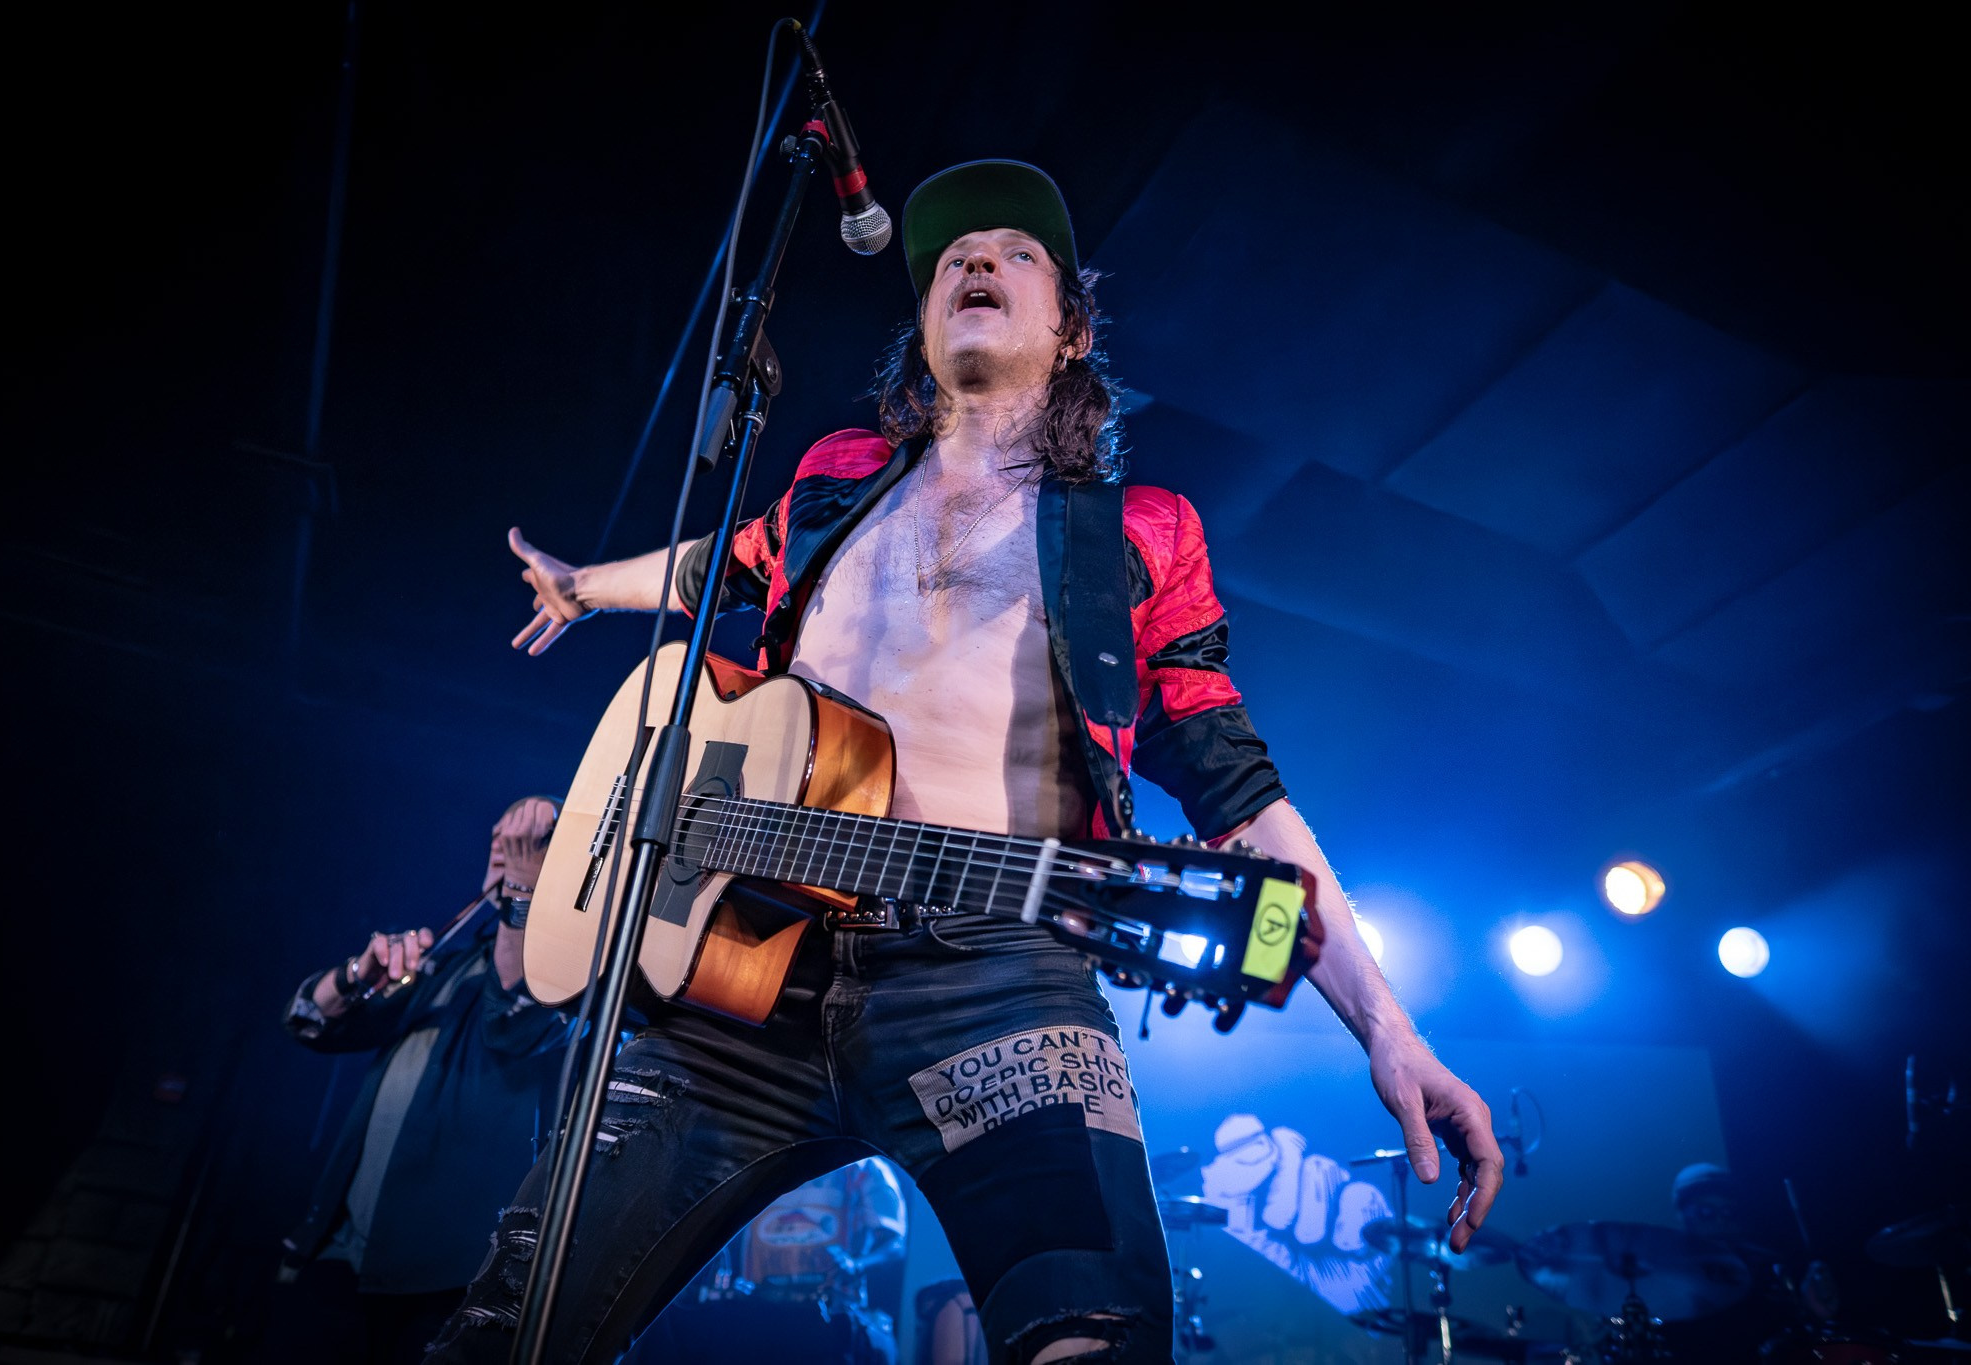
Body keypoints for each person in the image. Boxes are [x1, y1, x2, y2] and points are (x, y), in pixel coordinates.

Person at [429, 159, 1502, 1364]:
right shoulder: (834, 477)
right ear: (926, 323)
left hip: (995, 976)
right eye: (951, 257)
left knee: (1089, 1338)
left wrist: (1387, 1030)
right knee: (505, 1333)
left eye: (1014, 252)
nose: (974, 262)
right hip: (736, 979)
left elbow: (1236, 786)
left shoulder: (1141, 533)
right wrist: (587, 588)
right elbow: (721, 561)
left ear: (1072, 329)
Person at [265, 796, 571, 1365]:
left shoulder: (571, 978)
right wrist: (359, 975)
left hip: (448, 1279)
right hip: (342, 1257)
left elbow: (512, 1022)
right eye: (504, 849)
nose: (508, 865)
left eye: (531, 852)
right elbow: (306, 1022)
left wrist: (526, 897)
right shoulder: (453, 961)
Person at [622, 1157, 907, 1364]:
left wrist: (856, 1265)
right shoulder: (763, 1163)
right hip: (753, 1317)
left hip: (828, 1322)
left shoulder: (863, 1168)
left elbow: (894, 1243)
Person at [1661, 1163, 1839, 1365]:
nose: (1720, 1220)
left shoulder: (1767, 1266)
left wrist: (1814, 1313)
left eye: (1729, 1212)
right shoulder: (1663, 1278)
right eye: (1706, 1212)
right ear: (1681, 1215)